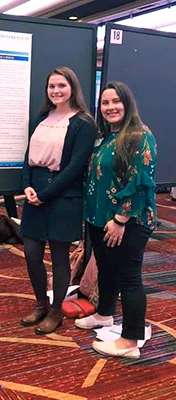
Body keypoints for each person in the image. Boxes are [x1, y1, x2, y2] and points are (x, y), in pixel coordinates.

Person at [75, 81, 157, 359]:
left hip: (128, 221)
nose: (110, 107)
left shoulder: (139, 135)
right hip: (100, 218)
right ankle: (104, 315)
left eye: (116, 102)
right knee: (107, 269)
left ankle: (130, 341)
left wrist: (121, 219)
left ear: (127, 103)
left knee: (129, 277)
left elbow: (141, 182)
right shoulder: (108, 137)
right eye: (105, 103)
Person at [19, 66, 97, 334]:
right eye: (51, 86)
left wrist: (45, 195)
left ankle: (55, 311)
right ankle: (41, 304)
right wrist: (27, 186)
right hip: (36, 192)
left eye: (61, 86)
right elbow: (28, 155)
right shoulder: (43, 116)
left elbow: (75, 168)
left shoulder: (84, 123)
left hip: (64, 196)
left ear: (72, 88)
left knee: (60, 257)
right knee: (31, 254)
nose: (56, 91)